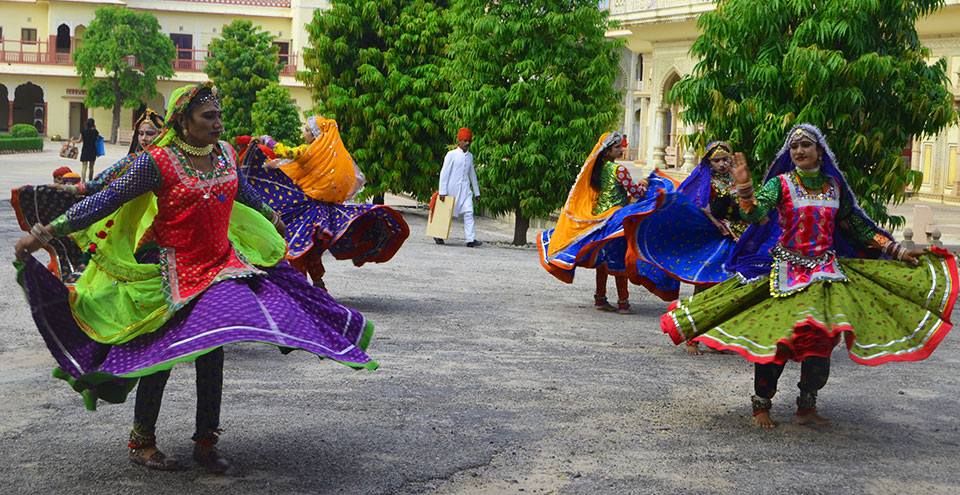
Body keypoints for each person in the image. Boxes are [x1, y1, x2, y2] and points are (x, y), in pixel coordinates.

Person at [14, 82, 377, 472]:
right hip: (172, 269)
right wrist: (43, 234)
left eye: (219, 115)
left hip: (221, 263)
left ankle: (206, 442)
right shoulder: (158, 163)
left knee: (214, 346)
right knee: (161, 356)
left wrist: (273, 220)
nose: (218, 123)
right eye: (209, 117)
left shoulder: (223, 153)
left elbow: (244, 192)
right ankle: (142, 442)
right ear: (184, 122)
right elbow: (107, 198)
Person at [661, 123, 958, 428]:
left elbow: (855, 226)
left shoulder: (834, 187)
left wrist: (895, 250)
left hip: (825, 273)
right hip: (785, 274)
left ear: (820, 151)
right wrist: (745, 189)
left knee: (821, 340)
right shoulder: (781, 184)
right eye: (794, 147)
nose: (800, 151)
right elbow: (757, 216)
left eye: (806, 145)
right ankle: (761, 403)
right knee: (776, 340)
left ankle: (807, 405)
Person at [239, 116, 410, 289]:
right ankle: (318, 285)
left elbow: (286, 152)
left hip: (307, 209)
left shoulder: (309, 152)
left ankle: (302, 287)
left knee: (296, 246)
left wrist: (266, 139)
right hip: (323, 210)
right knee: (311, 250)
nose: (303, 133)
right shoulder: (330, 155)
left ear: (314, 135)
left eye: (306, 130)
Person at [538, 132, 681, 314]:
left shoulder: (599, 168)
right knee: (619, 258)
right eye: (617, 148)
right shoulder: (618, 170)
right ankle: (623, 303)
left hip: (601, 218)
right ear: (606, 152)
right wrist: (647, 181)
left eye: (621, 146)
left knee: (603, 260)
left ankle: (600, 299)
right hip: (617, 219)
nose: (621, 150)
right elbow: (636, 191)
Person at [435, 127, 482, 247]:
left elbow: (472, 174)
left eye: (469, 141)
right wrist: (443, 191)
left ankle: (470, 239)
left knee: (469, 212)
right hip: (451, 190)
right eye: (465, 140)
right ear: (459, 141)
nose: (467, 143)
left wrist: (477, 192)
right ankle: (439, 235)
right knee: (447, 214)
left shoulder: (470, 156)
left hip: (465, 190)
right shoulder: (451, 155)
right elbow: (444, 173)